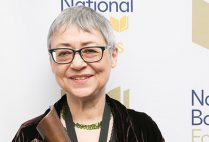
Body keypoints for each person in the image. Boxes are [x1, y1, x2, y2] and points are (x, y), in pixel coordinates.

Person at [13, 6, 164, 142]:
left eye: (90, 50)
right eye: (64, 53)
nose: (77, 64)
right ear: (52, 63)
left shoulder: (143, 128)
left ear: (113, 56)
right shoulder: (28, 134)